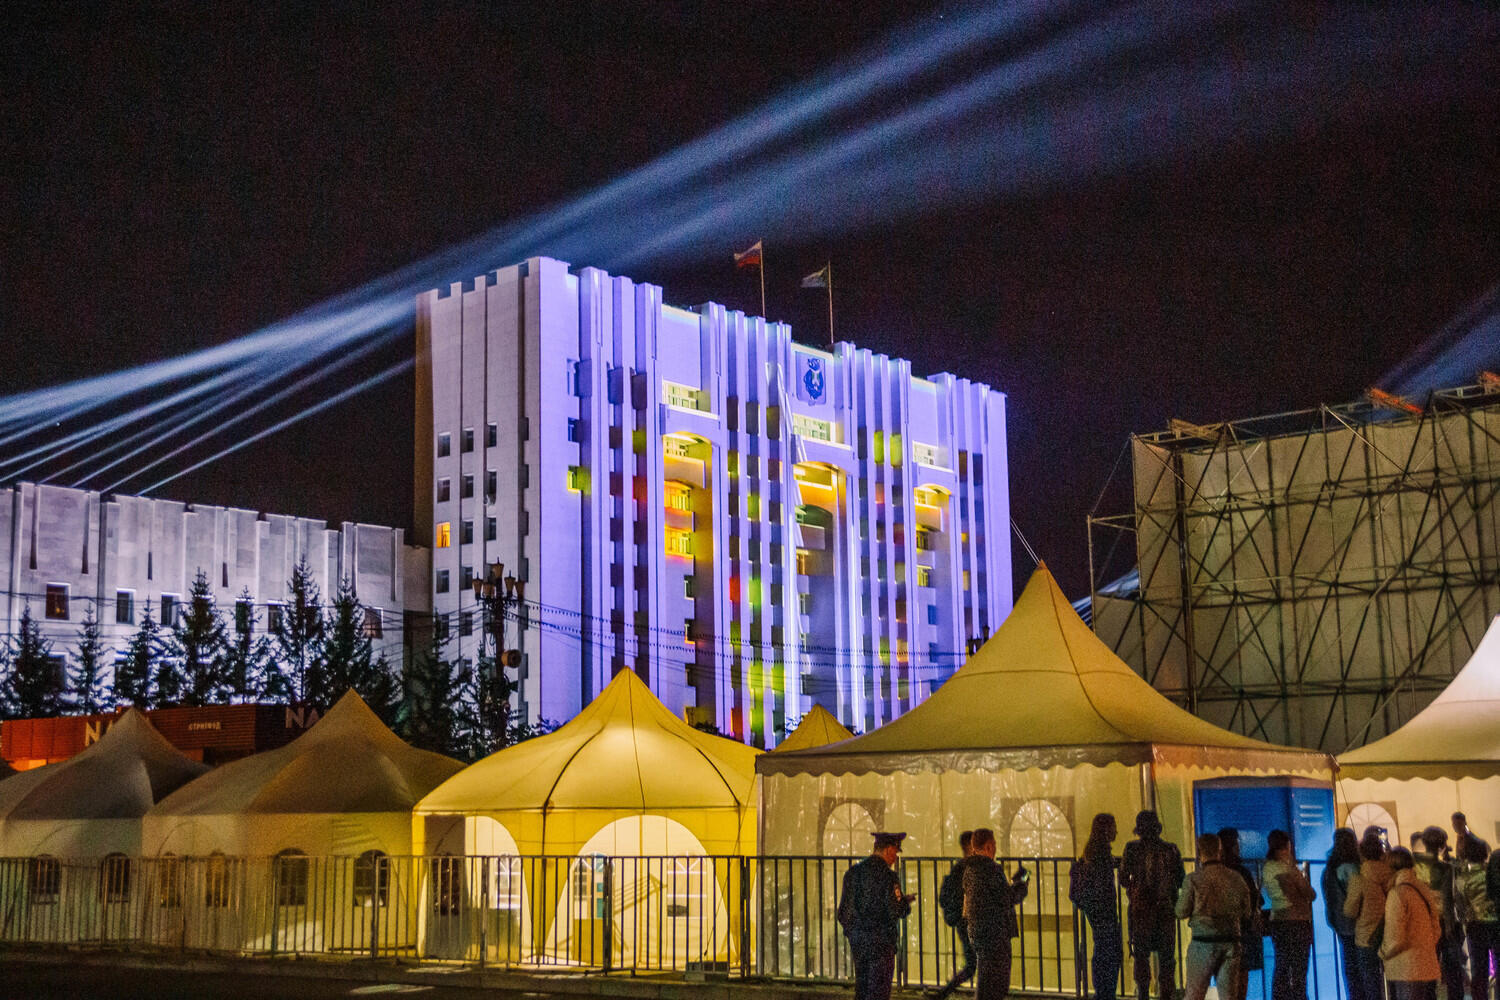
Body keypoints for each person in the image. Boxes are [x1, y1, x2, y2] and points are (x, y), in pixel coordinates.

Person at [1176, 833, 1256, 1000]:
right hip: (1231, 941)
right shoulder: (1236, 878)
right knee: (1229, 996)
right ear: (1220, 851)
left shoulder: (1194, 879)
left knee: (1194, 994)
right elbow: (1246, 912)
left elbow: (1181, 911)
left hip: (1202, 942)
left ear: (1199, 852)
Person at [838, 831, 915, 1000]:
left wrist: (853, 933)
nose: (895, 857)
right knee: (879, 992)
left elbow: (843, 912)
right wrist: (905, 903)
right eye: (895, 852)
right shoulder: (888, 876)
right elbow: (895, 910)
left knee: (862, 990)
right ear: (888, 850)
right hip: (881, 943)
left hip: (859, 942)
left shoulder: (853, 873)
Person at [1119, 810, 1185, 1000]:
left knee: (1141, 956)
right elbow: (1181, 878)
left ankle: (1143, 994)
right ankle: (1166, 994)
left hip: (1141, 910)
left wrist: (1135, 888)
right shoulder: (1171, 850)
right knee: (1167, 958)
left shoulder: (1132, 849)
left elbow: (1123, 878)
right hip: (1166, 909)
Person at [964, 827, 1029, 1000]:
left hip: (978, 931)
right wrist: (1022, 885)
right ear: (988, 846)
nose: (995, 848)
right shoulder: (991, 869)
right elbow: (1007, 898)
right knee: (996, 983)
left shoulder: (970, 870)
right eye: (994, 844)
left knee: (985, 979)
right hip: (995, 933)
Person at [1071, 813, 1123, 1000]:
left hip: (1095, 909)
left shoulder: (1093, 852)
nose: (1116, 831)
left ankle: (1102, 993)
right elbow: (1102, 882)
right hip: (1104, 910)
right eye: (1113, 827)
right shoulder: (1101, 854)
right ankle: (1105, 993)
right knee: (1109, 951)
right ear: (1106, 830)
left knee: (1103, 949)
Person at [1380, 847, 1443, 1000]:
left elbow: (1395, 938)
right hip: (1426, 965)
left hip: (1405, 968)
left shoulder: (1397, 894)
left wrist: (1382, 952)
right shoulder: (1422, 889)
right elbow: (1436, 927)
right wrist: (1425, 946)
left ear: (1391, 867)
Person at [1263, 829, 1316, 1000]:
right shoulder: (1287, 869)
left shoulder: (1267, 867)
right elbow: (1309, 893)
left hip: (1277, 920)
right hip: (1296, 921)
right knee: (1299, 969)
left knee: (1282, 967)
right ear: (1287, 846)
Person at [1414, 826, 1464, 1000]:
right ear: (1442, 846)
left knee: (1428, 968)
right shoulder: (1445, 868)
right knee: (1453, 970)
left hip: (1422, 923)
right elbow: (1448, 900)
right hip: (1443, 921)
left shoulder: (1414, 866)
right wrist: (1450, 927)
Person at [1345, 828, 1395, 1000]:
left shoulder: (1358, 880)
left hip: (1366, 936)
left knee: (1371, 981)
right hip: (1391, 934)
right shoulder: (1392, 875)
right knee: (1393, 980)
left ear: (1362, 854)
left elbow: (1350, 911)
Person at [932, 830, 977, 1000]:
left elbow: (946, 897)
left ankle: (944, 993)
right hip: (972, 922)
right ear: (970, 846)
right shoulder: (971, 868)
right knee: (978, 963)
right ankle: (944, 993)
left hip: (962, 922)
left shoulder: (958, 868)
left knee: (973, 964)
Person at [1220, 829, 1263, 1000]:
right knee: (1241, 977)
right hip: (1242, 931)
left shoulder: (1213, 872)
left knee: (1226, 980)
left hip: (1220, 933)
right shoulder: (1241, 872)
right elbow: (1253, 900)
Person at [1455, 836, 1498, 1000]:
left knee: (1479, 972)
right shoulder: (1492, 874)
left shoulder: (1462, 879)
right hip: (1496, 924)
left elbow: (1461, 906)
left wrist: (1466, 921)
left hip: (1475, 926)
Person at [1324, 828, 1364, 1000]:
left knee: (1349, 967)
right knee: (1364, 969)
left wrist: (1333, 918)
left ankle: (1353, 996)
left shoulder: (1330, 869)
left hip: (1341, 923)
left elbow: (1329, 897)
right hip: (1360, 922)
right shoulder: (1357, 867)